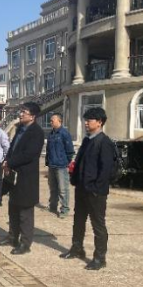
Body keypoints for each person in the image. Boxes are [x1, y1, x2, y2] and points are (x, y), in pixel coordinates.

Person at [60, 107, 115, 270]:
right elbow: (79, 162)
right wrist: (75, 179)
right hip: (82, 188)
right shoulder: (87, 140)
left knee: (98, 225)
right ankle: (77, 248)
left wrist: (96, 188)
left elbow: (106, 170)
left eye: (89, 120)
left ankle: (100, 258)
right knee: (78, 221)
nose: (86, 123)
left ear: (99, 122)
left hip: (95, 192)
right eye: (85, 120)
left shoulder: (104, 142)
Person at [0, 102, 44, 255]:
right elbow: (12, 149)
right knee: (13, 208)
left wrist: (10, 162)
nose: (21, 114)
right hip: (14, 176)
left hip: (26, 177)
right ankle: (12, 237)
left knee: (25, 212)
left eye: (24, 112)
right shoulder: (20, 129)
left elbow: (29, 154)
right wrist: (6, 161)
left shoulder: (36, 132)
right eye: (21, 111)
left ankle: (25, 243)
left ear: (32, 116)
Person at [45, 113, 75, 219]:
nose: (50, 122)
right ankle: (53, 206)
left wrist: (65, 161)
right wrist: (48, 162)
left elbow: (70, 150)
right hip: (52, 165)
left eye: (52, 120)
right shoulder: (51, 134)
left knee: (63, 189)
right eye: (50, 120)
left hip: (61, 166)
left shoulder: (64, 133)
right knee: (53, 187)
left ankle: (64, 209)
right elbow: (48, 150)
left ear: (59, 121)